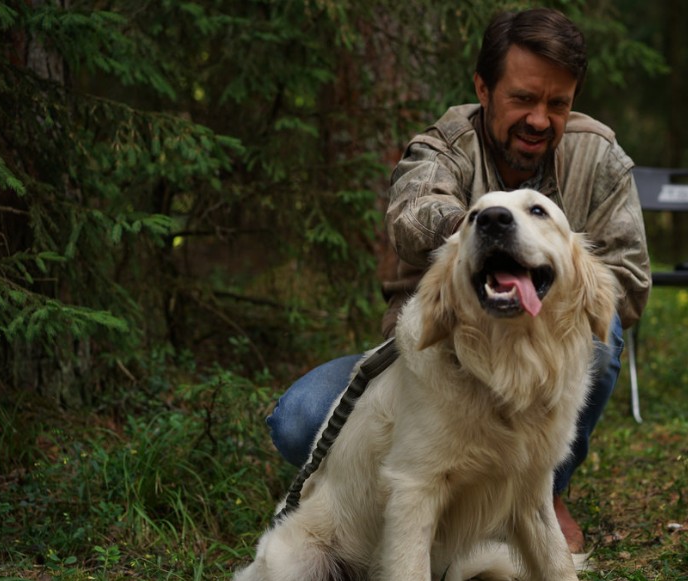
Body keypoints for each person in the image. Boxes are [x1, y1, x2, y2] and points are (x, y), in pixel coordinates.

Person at [266, 7, 650, 555]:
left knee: (601, 338)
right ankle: (427, 506)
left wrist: (558, 276)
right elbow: (409, 218)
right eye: (522, 98)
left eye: (557, 103)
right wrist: (484, 236)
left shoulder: (601, 157)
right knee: (298, 420)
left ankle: (541, 489)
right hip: (441, 363)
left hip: (545, 358)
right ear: (484, 88)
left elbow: (629, 282)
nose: (539, 119)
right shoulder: (441, 146)